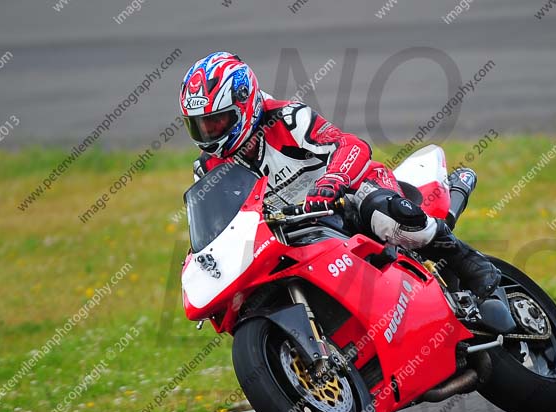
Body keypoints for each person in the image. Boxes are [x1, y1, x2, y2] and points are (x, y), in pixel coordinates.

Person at [179, 51, 499, 299]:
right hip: (291, 235)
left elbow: (352, 146)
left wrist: (331, 181)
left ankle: (470, 263)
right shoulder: (207, 169)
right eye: (200, 125)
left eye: (217, 121)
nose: (209, 134)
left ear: (244, 104)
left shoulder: (287, 119)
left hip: (348, 197)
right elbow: (217, 229)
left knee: (386, 216)